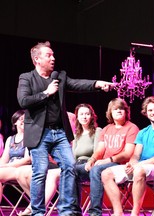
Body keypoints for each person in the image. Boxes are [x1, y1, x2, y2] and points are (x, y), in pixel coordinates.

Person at [16, 41, 112, 216]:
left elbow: (77, 84)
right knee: (40, 171)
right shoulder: (26, 78)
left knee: (70, 166)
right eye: (48, 55)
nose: (53, 58)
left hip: (59, 132)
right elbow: (23, 101)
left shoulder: (58, 76)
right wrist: (46, 93)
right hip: (39, 132)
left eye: (53, 55)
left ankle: (66, 211)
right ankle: (37, 212)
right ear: (37, 59)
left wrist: (97, 83)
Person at [16, 104, 101, 215]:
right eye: (81, 114)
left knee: (57, 174)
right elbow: (72, 156)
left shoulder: (97, 131)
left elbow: (98, 151)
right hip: (76, 164)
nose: (84, 117)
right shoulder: (75, 134)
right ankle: (38, 206)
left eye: (87, 114)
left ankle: (35, 209)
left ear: (91, 116)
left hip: (89, 164)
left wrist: (91, 161)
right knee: (29, 172)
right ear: (77, 117)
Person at [102, 96, 154, 216]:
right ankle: (118, 212)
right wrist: (131, 163)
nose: (153, 113)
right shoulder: (143, 132)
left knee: (139, 170)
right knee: (106, 173)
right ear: (145, 112)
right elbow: (136, 154)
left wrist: (138, 165)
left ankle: (135, 212)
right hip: (140, 165)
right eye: (150, 110)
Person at [76, 98, 139, 216]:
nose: (119, 111)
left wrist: (107, 160)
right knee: (73, 171)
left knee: (96, 170)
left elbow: (128, 153)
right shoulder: (106, 129)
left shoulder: (132, 128)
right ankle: (74, 210)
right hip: (104, 163)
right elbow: (100, 150)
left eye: (121, 109)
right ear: (110, 112)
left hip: (119, 165)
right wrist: (92, 159)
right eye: (115, 109)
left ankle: (95, 212)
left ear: (126, 111)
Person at [0, 110, 31, 203]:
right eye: (21, 119)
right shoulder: (10, 139)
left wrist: (7, 166)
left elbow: (27, 160)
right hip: (8, 169)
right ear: (15, 122)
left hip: (21, 169)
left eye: (26, 119)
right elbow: (4, 158)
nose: (23, 121)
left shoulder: (29, 137)